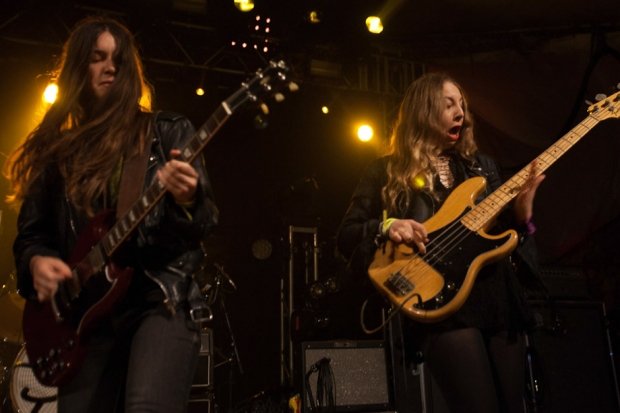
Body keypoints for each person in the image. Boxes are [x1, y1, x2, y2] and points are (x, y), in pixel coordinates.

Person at [5, 16, 219, 413]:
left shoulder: (166, 132)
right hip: (83, 319)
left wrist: (187, 199)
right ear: (77, 69)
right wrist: (36, 261)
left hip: (159, 301)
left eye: (119, 59)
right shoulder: (56, 153)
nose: (110, 67)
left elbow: (203, 223)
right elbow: (31, 235)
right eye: (98, 58)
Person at [336, 72, 545, 413]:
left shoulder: (483, 167)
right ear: (423, 110)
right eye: (449, 104)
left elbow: (503, 238)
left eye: (462, 105)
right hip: (440, 301)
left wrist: (521, 219)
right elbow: (346, 235)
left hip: (496, 297)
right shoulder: (383, 172)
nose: (460, 112)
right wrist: (388, 225)